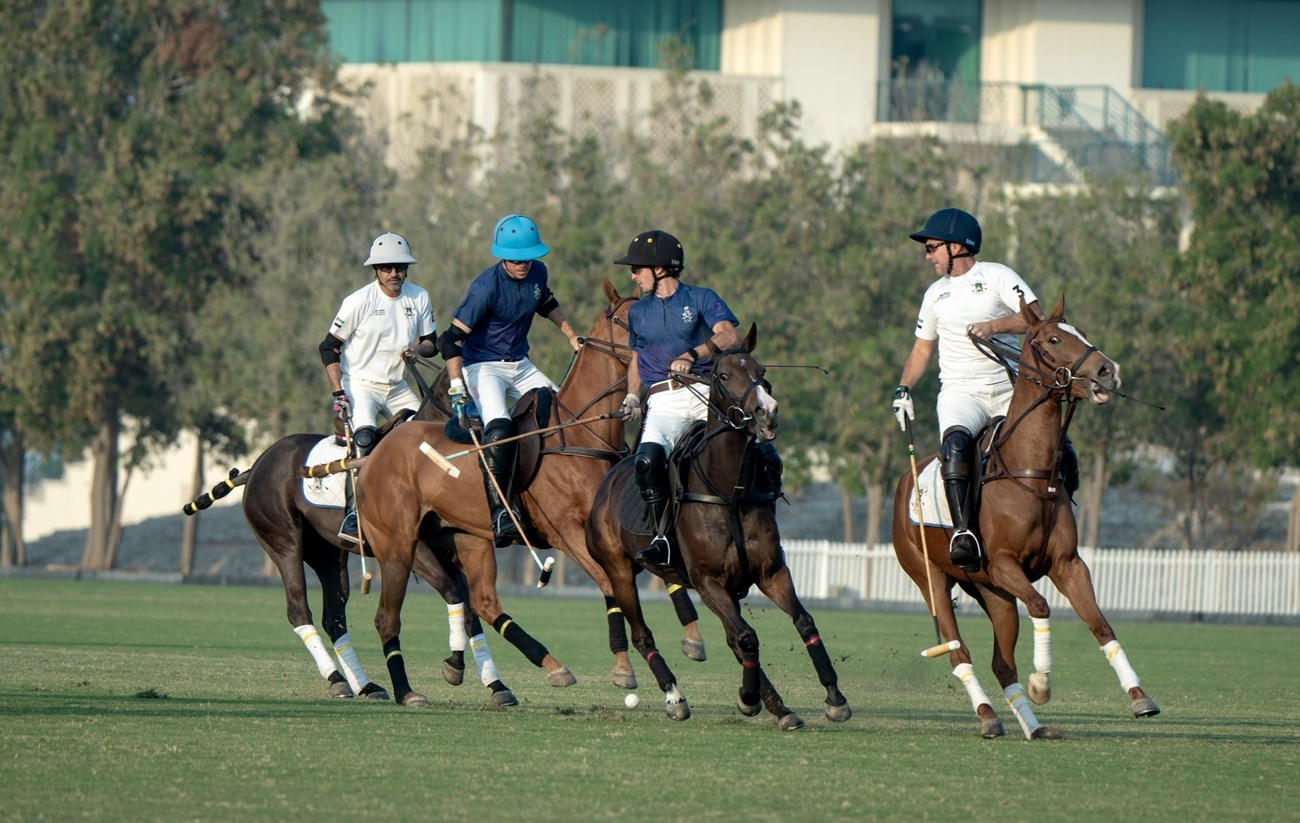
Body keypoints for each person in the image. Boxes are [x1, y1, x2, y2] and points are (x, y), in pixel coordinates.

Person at [891, 207, 1077, 573]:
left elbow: (1040, 320)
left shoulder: (997, 276)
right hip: (962, 394)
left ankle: (1062, 520)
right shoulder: (934, 295)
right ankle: (964, 533)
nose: (928, 256)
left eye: (932, 248)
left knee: (1061, 448)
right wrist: (903, 389)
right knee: (955, 446)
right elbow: (921, 349)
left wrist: (995, 326)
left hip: (1010, 388)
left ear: (957, 247)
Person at [614, 229, 780, 575]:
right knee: (647, 462)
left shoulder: (701, 298)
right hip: (663, 401)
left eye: (638, 268)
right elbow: (636, 358)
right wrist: (633, 396)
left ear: (660, 269)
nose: (633, 275)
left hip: (705, 392)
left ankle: (765, 519)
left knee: (762, 450)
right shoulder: (637, 312)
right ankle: (661, 538)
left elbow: (729, 335)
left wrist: (692, 354)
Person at [439, 214, 581, 548]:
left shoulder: (538, 273)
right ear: (501, 257)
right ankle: (501, 510)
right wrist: (457, 387)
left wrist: (572, 336)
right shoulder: (484, 288)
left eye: (528, 258)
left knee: (566, 414)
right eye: (516, 260)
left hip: (520, 363)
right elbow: (450, 341)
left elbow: (547, 304)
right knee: (499, 428)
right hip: (482, 366)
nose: (522, 265)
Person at [319, 231, 438, 543]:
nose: (394, 274)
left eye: (399, 267)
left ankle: (424, 505)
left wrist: (417, 349)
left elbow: (431, 344)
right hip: (361, 384)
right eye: (386, 268)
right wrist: (338, 392)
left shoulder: (419, 297)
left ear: (407, 269)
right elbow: (329, 348)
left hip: (397, 385)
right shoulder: (359, 301)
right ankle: (355, 513)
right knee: (365, 439)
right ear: (375, 271)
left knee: (429, 434)